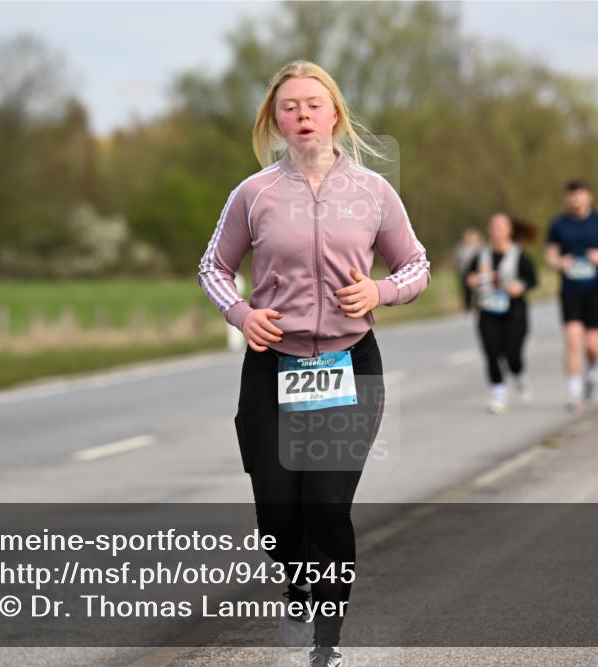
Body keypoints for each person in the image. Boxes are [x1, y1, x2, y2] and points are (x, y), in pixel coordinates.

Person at [197, 60, 430, 667]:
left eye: (314, 104)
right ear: (274, 119)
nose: (303, 115)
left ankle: (327, 641)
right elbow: (212, 269)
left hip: (351, 364)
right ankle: (295, 581)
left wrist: (381, 292)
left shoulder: (373, 192)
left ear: (335, 113)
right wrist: (243, 315)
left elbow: (416, 266)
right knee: (277, 518)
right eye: (290, 106)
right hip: (273, 366)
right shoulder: (254, 194)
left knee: (326, 506)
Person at [545, 180, 598, 413]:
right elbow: (550, 254)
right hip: (570, 291)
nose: (575, 200)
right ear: (566, 199)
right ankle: (574, 394)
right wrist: (559, 262)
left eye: (579, 195)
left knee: (592, 345)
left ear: (589, 196)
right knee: (572, 341)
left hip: (595, 290)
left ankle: (591, 374)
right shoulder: (559, 225)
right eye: (571, 196)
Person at [465, 213, 538, 414]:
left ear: (509, 231)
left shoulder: (519, 255)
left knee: (512, 353)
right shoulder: (481, 255)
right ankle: (498, 394)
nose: (497, 231)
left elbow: (532, 280)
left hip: (514, 311)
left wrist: (520, 286)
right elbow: (468, 277)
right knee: (492, 353)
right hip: (487, 310)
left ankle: (519, 375)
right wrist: (472, 280)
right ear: (489, 230)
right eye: (494, 227)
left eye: (501, 227)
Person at [454, 227, 483, 311]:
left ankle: (478, 304)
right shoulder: (461, 248)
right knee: (466, 291)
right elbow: (459, 260)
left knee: (478, 289)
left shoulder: (479, 247)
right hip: (464, 272)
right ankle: (468, 306)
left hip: (477, 272)